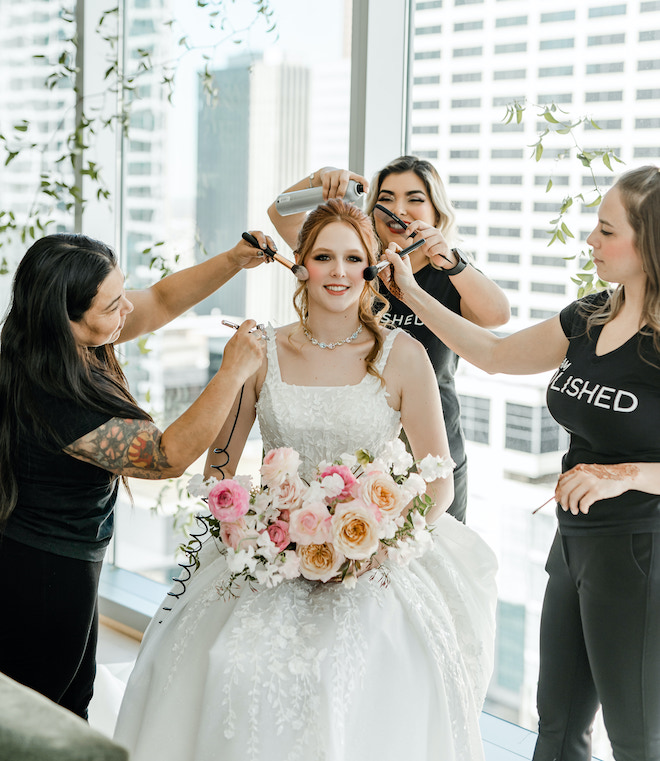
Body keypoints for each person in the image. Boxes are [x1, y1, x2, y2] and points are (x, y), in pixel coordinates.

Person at [113, 200, 498, 761]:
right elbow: (221, 466)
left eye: (352, 258)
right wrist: (246, 530)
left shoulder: (405, 355)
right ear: (300, 266)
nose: (338, 271)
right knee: (235, 668)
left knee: (360, 671)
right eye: (323, 257)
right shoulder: (260, 349)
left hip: (375, 561)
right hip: (273, 552)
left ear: (373, 268)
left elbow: (439, 482)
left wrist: (380, 541)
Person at [378, 165, 660, 761]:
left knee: (639, 740)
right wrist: (412, 293)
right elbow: (496, 354)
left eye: (606, 231)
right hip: (574, 541)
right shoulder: (592, 316)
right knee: (557, 728)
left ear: (650, 242)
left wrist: (630, 475)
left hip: (642, 550)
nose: (590, 241)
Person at [0, 232, 270, 720]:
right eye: (112, 304)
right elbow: (167, 457)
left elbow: (163, 299)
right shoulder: (52, 395)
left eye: (123, 292)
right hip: (42, 571)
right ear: (66, 316)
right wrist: (231, 372)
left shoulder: (64, 338)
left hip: (69, 556)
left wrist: (233, 260)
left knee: (69, 698)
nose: (126, 308)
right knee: (48, 713)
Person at [268, 157, 510, 523]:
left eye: (414, 199)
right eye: (387, 197)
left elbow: (497, 315)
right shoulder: (354, 267)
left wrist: (449, 261)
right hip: (363, 456)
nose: (398, 209)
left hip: (434, 459)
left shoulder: (452, 274)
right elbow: (281, 214)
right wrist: (321, 180)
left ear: (435, 211)